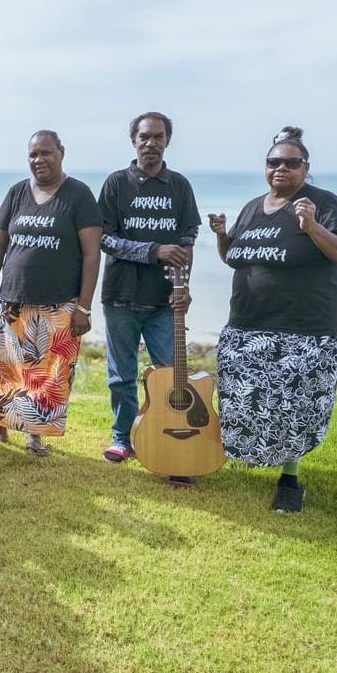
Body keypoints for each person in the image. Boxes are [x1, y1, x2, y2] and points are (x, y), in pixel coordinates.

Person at [208, 126, 337, 512]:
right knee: (244, 402)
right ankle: (240, 457)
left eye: (291, 163)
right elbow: (235, 258)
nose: (281, 169)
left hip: (303, 330)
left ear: (305, 168)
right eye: (274, 162)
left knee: (294, 409)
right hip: (246, 326)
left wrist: (311, 226)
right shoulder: (253, 208)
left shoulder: (324, 204)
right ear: (265, 166)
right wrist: (224, 236)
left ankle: (289, 480)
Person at [0, 130, 103, 456]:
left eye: (46, 153)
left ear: (61, 152)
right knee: (0, 366)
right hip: (11, 299)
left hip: (58, 302)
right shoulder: (17, 193)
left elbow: (92, 254)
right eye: (33, 154)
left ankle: (35, 435)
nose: (39, 160)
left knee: (45, 373)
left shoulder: (78, 195)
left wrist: (84, 308)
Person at [97, 112, 199, 486]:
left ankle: (171, 443)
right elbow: (104, 238)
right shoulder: (116, 184)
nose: (150, 143)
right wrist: (153, 250)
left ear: (167, 141)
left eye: (157, 137)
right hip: (120, 296)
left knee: (172, 378)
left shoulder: (179, 186)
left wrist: (183, 286)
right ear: (133, 140)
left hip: (163, 301)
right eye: (144, 137)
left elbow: (188, 239)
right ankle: (123, 440)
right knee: (121, 377)